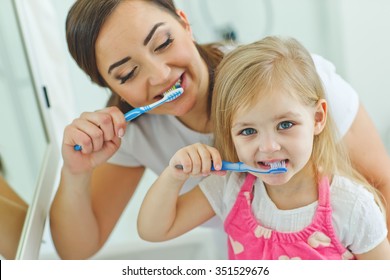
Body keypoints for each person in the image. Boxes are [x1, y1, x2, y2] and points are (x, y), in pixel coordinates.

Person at [50, 0, 390, 259]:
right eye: (127, 74)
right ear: (110, 86)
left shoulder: (294, 84)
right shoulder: (133, 133)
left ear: (184, 24)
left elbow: (381, 188)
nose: (160, 75)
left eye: (163, 43)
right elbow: (77, 250)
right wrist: (76, 172)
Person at [137, 36, 390, 259]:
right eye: (248, 131)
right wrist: (174, 176)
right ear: (230, 134)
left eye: (285, 124)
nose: (268, 147)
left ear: (317, 118)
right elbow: (154, 229)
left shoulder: (353, 207)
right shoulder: (230, 187)